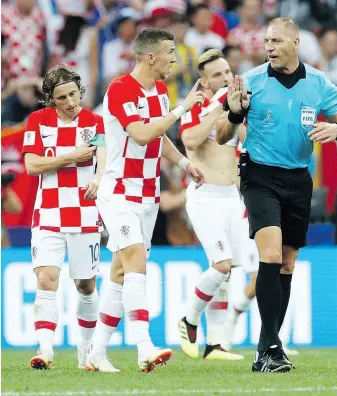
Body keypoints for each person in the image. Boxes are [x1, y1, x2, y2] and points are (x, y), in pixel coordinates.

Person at [216, 17, 337, 372]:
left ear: (295, 43)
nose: (269, 47)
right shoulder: (252, 82)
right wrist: (234, 112)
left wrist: (335, 128)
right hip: (259, 175)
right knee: (272, 254)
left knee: (287, 263)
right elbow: (220, 134)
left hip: (298, 178)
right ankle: (273, 346)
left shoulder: (320, 84)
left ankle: (267, 348)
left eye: (276, 40)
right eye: (266, 40)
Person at [86, 28, 205, 373]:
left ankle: (97, 351)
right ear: (151, 56)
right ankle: (144, 346)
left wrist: (184, 163)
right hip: (118, 191)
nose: (175, 58)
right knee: (136, 261)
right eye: (170, 51)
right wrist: (184, 108)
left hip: (148, 193)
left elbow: (158, 138)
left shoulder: (163, 91)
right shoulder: (120, 89)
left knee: (121, 272)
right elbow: (139, 132)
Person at [22, 65, 107, 370]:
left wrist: (98, 175)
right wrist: (72, 156)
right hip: (48, 213)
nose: (70, 101)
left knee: (85, 285)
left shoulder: (94, 121)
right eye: (62, 97)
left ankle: (85, 352)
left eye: (73, 94)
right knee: (46, 278)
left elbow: (103, 155)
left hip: (85, 213)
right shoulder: (38, 121)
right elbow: (32, 165)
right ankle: (45, 350)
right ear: (51, 100)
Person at [178, 49, 258, 361]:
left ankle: (215, 345)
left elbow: (248, 142)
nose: (225, 78)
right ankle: (188, 317)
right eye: (217, 75)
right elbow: (190, 142)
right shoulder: (197, 105)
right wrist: (216, 107)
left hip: (231, 197)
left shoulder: (237, 108)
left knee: (235, 272)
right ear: (205, 82)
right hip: (205, 195)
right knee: (221, 266)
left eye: (227, 72)